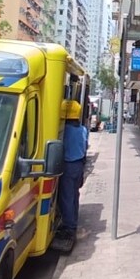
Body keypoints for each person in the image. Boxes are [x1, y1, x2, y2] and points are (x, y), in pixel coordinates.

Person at [53, 100, 89, 253]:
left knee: (66, 197)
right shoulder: (83, 130)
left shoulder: (63, 131)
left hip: (67, 166)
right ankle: (73, 220)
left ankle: (69, 226)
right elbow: (85, 147)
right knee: (74, 195)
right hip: (79, 165)